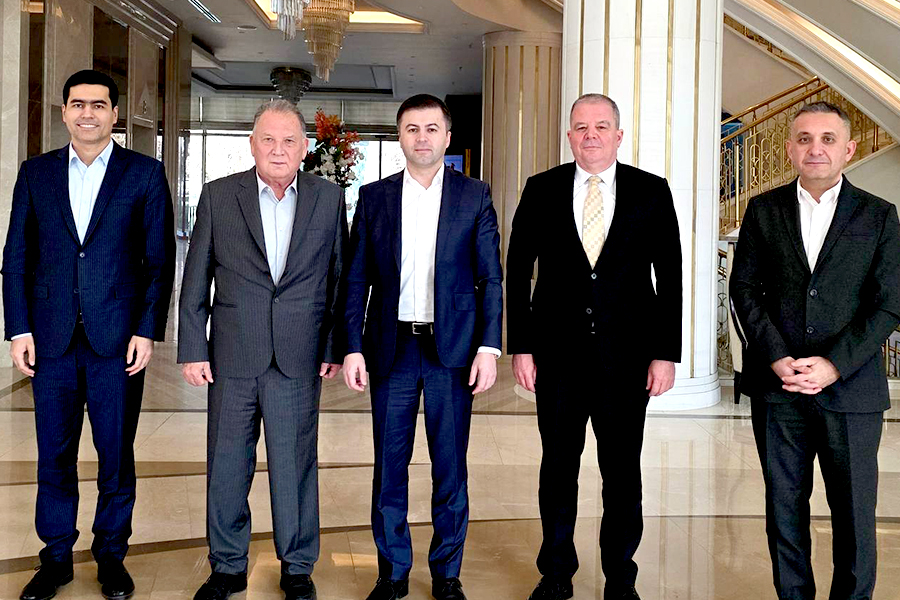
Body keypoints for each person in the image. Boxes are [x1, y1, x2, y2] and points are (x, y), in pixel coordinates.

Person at [2, 69, 175, 600]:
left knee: (115, 455)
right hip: (50, 340)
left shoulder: (144, 174)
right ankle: (55, 559)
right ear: (64, 112)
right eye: (78, 104)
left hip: (117, 342)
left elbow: (159, 262)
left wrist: (147, 330)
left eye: (98, 105)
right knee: (54, 455)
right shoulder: (36, 173)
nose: (87, 113)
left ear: (114, 115)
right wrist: (18, 328)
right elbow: (17, 256)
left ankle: (111, 556)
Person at [506, 93, 682, 600]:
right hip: (556, 359)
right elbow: (517, 270)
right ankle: (556, 573)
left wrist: (665, 353)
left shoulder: (651, 191)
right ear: (569, 135)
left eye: (601, 126)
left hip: (626, 361)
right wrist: (522, 346)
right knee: (558, 470)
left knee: (622, 474)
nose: (591, 135)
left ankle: (620, 578)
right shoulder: (541, 188)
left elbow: (670, 277)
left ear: (618, 135)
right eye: (581, 127)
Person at [730, 101, 900, 600]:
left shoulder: (879, 214)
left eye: (828, 139)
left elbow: (889, 303)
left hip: (851, 391)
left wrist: (834, 364)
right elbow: (745, 290)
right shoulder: (763, 210)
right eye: (804, 138)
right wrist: (775, 356)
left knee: (854, 511)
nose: (815, 148)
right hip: (779, 389)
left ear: (849, 149)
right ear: (789, 149)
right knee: (784, 509)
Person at [177, 99, 346, 600]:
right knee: (227, 464)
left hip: (299, 355)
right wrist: (192, 347)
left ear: (305, 148)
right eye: (268, 139)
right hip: (232, 355)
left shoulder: (328, 199)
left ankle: (297, 567)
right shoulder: (219, 195)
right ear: (252, 145)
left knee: (295, 465)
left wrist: (334, 345)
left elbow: (338, 280)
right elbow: (196, 279)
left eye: (289, 140)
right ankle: (227, 566)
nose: (278, 149)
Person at [342, 94, 503, 600]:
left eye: (432, 128)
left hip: (450, 352)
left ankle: (446, 573)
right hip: (390, 348)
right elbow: (356, 278)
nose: (422, 138)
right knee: (389, 468)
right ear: (400, 137)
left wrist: (489, 347)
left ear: (447, 137)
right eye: (412, 129)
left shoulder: (474, 195)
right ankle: (392, 573)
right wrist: (351, 347)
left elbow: (491, 278)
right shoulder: (374, 198)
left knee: (450, 468)